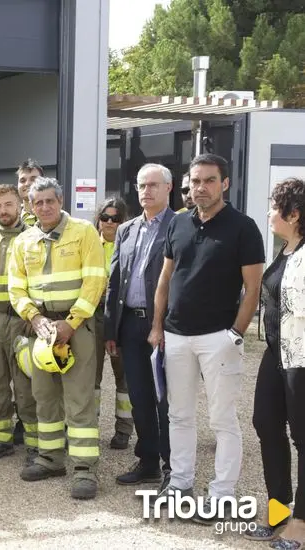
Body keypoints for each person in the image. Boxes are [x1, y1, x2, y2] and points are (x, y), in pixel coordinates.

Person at [150, 153, 264, 511]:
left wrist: (235, 334)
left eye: (209, 181)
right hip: (177, 336)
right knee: (179, 414)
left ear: (225, 184)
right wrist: (157, 327)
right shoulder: (179, 223)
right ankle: (180, 483)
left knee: (222, 419)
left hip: (219, 338)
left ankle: (222, 493)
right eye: (195, 181)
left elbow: (253, 289)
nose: (200, 188)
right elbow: (165, 279)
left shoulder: (243, 228)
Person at [8, 177, 107, 500]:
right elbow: (16, 287)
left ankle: (84, 469)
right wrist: (34, 319)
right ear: (30, 206)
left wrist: (72, 322)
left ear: (61, 201)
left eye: (50, 200)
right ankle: (50, 458)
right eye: (38, 202)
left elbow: (95, 281)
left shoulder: (84, 232)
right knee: (44, 396)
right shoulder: (24, 241)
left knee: (79, 399)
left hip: (75, 328)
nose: (45, 207)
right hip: (41, 328)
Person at [103, 164, 174, 488]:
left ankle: (174, 466)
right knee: (140, 398)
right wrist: (110, 329)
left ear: (168, 188)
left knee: (166, 400)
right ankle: (147, 462)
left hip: (165, 327)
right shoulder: (126, 229)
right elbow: (114, 280)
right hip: (130, 325)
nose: (147, 191)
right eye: (142, 185)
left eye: (154, 185)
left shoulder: (181, 225)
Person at [248, 177, 305, 545]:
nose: (269, 213)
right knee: (265, 423)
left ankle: (300, 522)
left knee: (303, 437)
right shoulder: (286, 249)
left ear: (294, 213)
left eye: (274, 207)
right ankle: (279, 507)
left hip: (302, 357)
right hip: (275, 352)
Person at [0, 184, 38, 462]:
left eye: (8, 205)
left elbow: (40, 280)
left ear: (20, 206)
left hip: (20, 321)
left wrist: (34, 315)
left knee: (26, 386)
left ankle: (36, 444)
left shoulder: (33, 238)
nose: (3, 211)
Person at [93, 197, 134, 450]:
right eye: (105, 217)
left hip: (121, 318)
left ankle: (123, 430)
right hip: (93, 315)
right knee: (90, 378)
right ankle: (90, 426)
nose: (109, 222)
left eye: (116, 218)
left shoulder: (129, 244)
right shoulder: (88, 243)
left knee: (124, 379)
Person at [17, 159, 44, 227]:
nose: (27, 183)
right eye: (22, 180)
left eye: (33, 179)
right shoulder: (9, 216)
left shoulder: (53, 215)